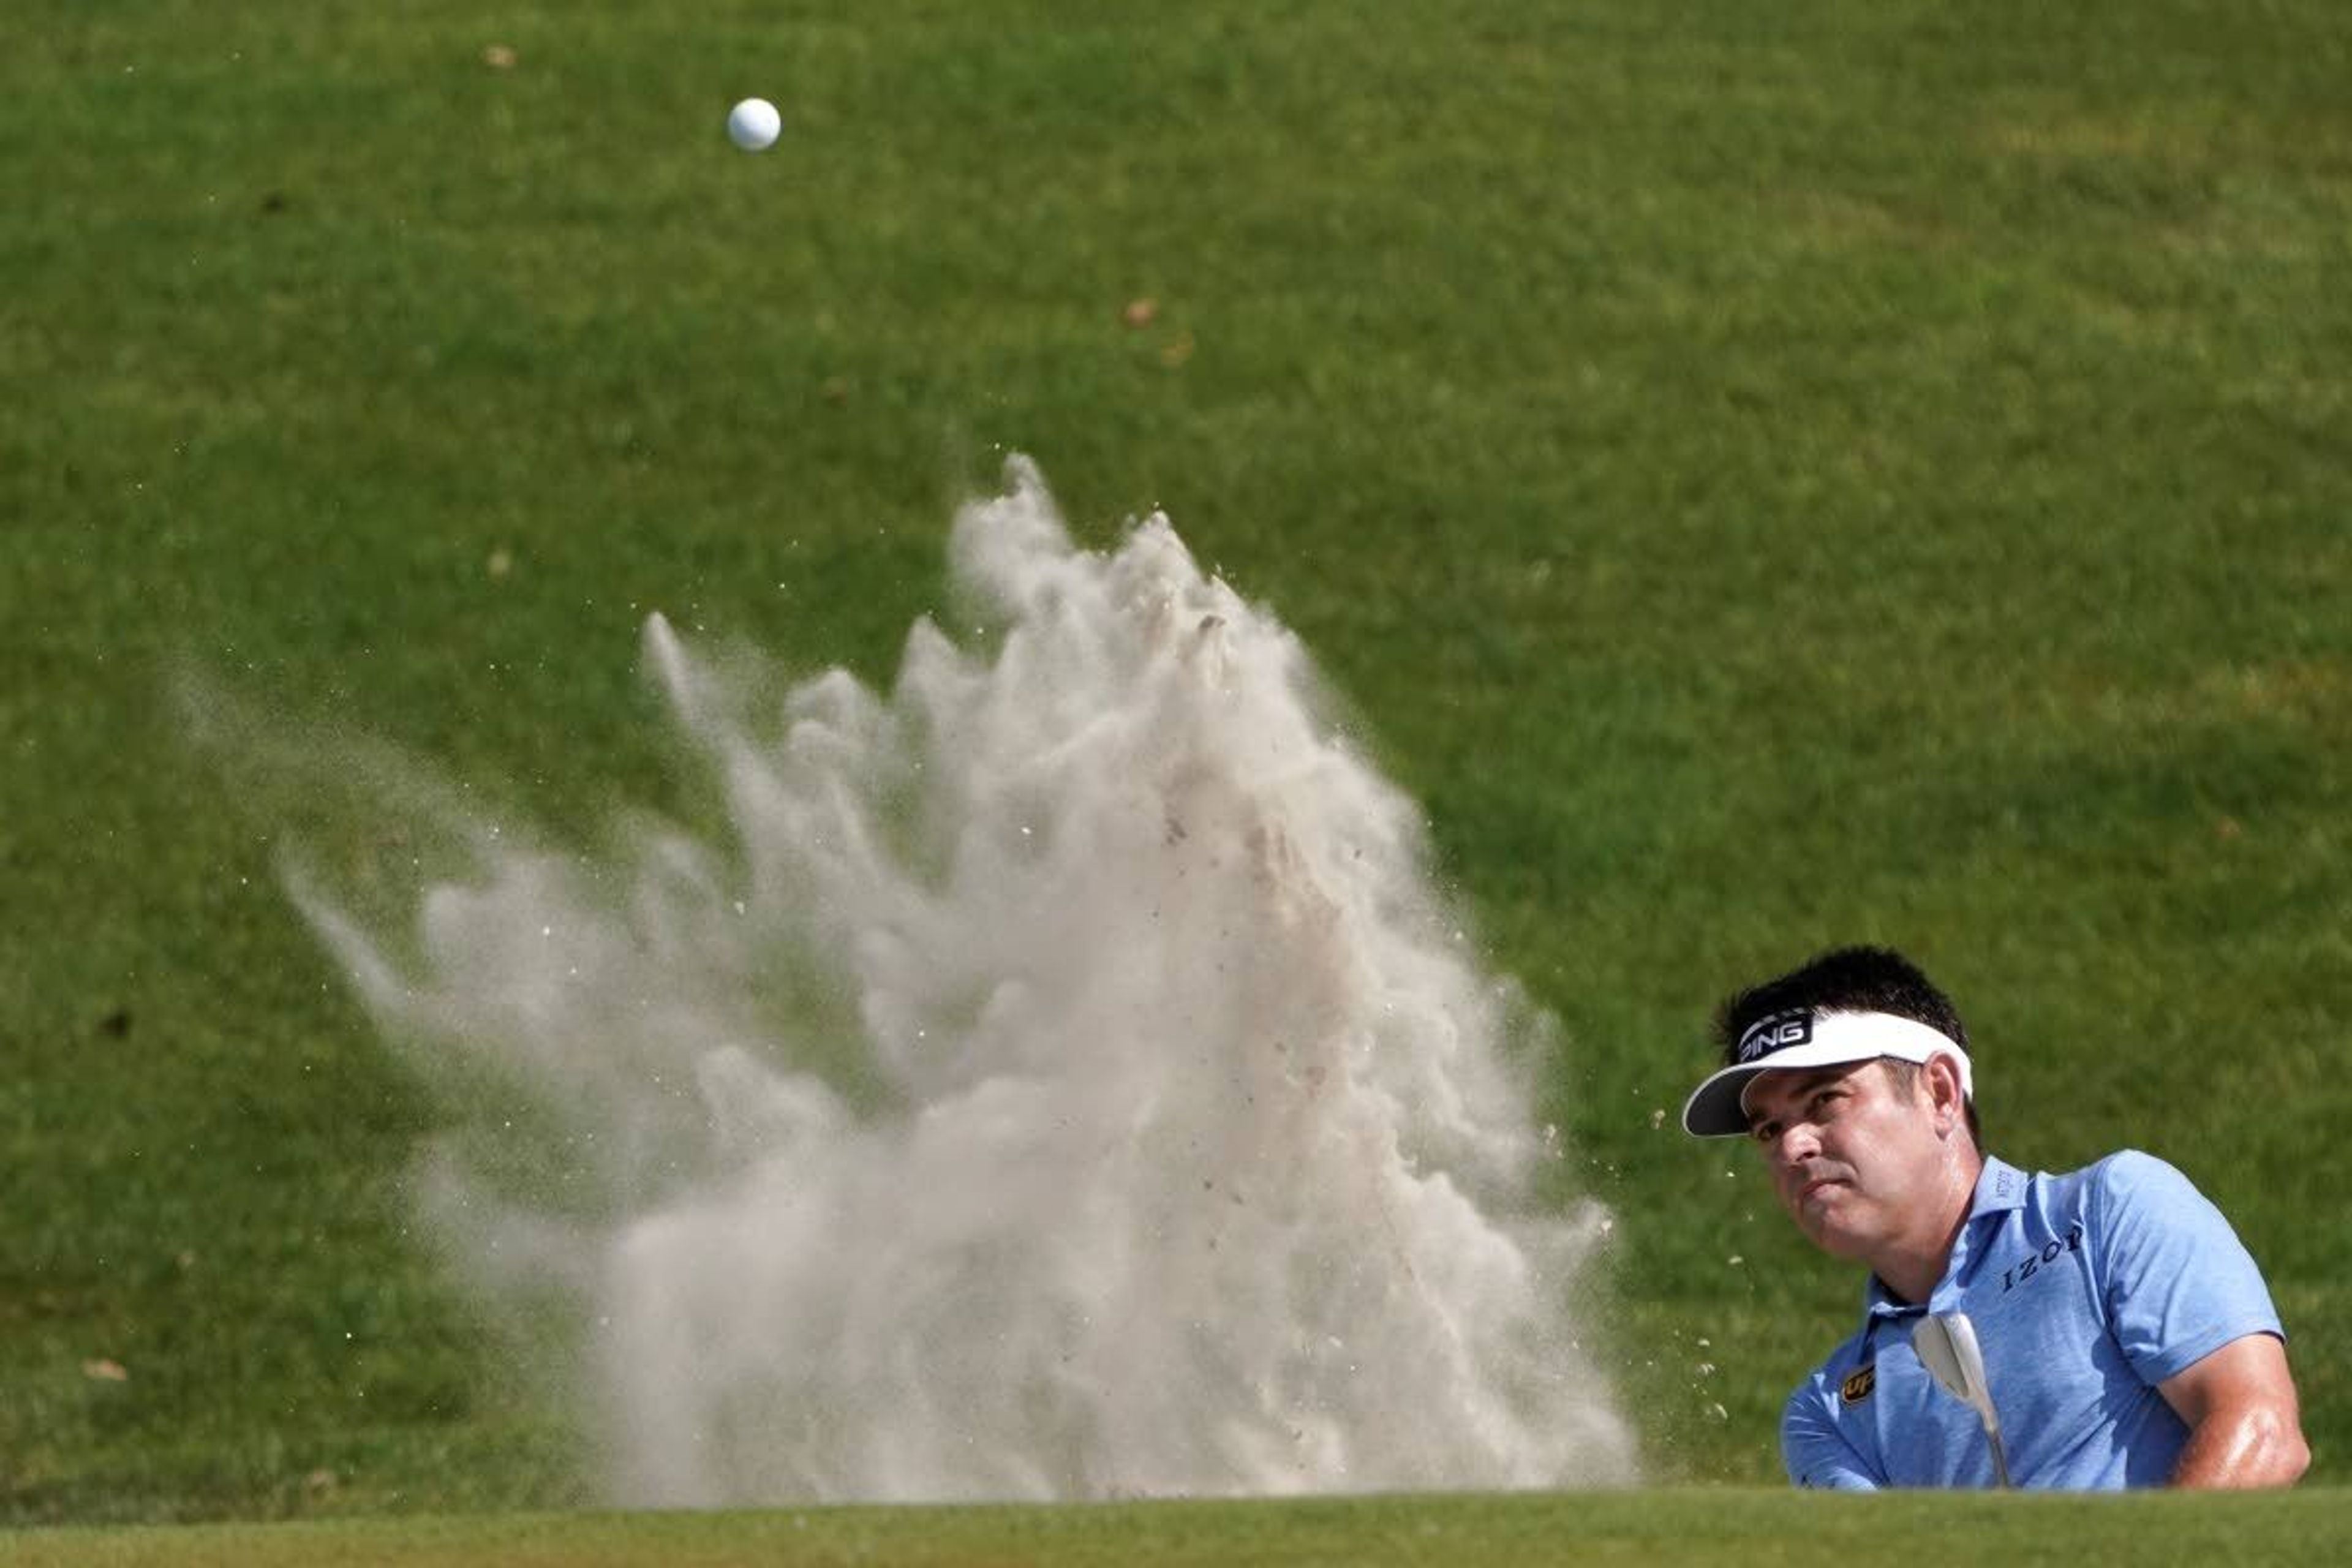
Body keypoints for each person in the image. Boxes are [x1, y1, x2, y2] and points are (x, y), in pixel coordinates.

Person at [1681, 944, 2309, 1490]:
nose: (1792, 1147)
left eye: (1825, 1099)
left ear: (1941, 1092)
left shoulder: (2109, 1211)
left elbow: (2262, 1431)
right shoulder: (1825, 1412)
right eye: (1769, 1129)